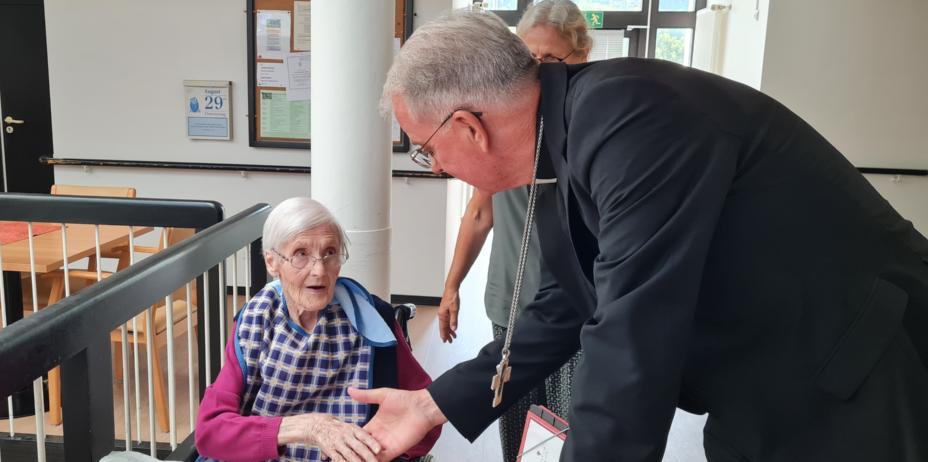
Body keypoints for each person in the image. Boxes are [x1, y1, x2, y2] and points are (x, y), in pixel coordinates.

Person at [348, 10, 928, 462]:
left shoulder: (632, 116)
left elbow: (630, 334)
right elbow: (567, 305)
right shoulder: (564, 136)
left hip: (854, 370)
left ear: (469, 128)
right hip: (758, 385)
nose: (438, 168)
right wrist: (433, 404)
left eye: (426, 151)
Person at [437, 2, 590, 460]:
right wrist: (451, 287)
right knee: (517, 427)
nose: (538, 71)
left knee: (568, 431)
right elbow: (479, 213)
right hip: (511, 301)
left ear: (580, 56)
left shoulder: (588, 127)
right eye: (529, 60)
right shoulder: (501, 123)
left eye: (551, 60)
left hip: (576, 312)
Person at [195, 197, 439, 462]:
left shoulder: (372, 317)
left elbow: (427, 410)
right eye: (301, 254)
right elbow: (210, 432)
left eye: (330, 252)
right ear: (271, 262)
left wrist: (381, 451)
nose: (319, 270)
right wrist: (308, 427)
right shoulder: (256, 319)